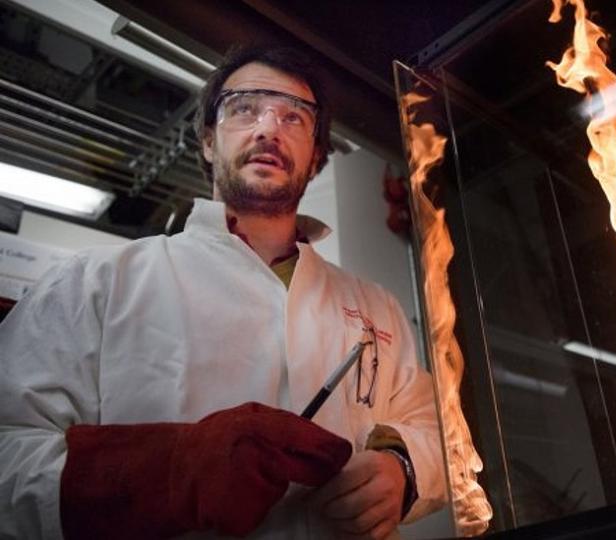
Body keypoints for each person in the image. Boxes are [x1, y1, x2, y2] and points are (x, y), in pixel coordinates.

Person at [0, 43, 445, 539]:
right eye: (244, 108)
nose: (268, 128)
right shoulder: (97, 282)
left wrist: (400, 469)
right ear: (210, 140)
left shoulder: (376, 306)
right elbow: (7, 451)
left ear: (316, 155)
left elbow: (440, 435)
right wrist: (169, 471)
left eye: (294, 117)